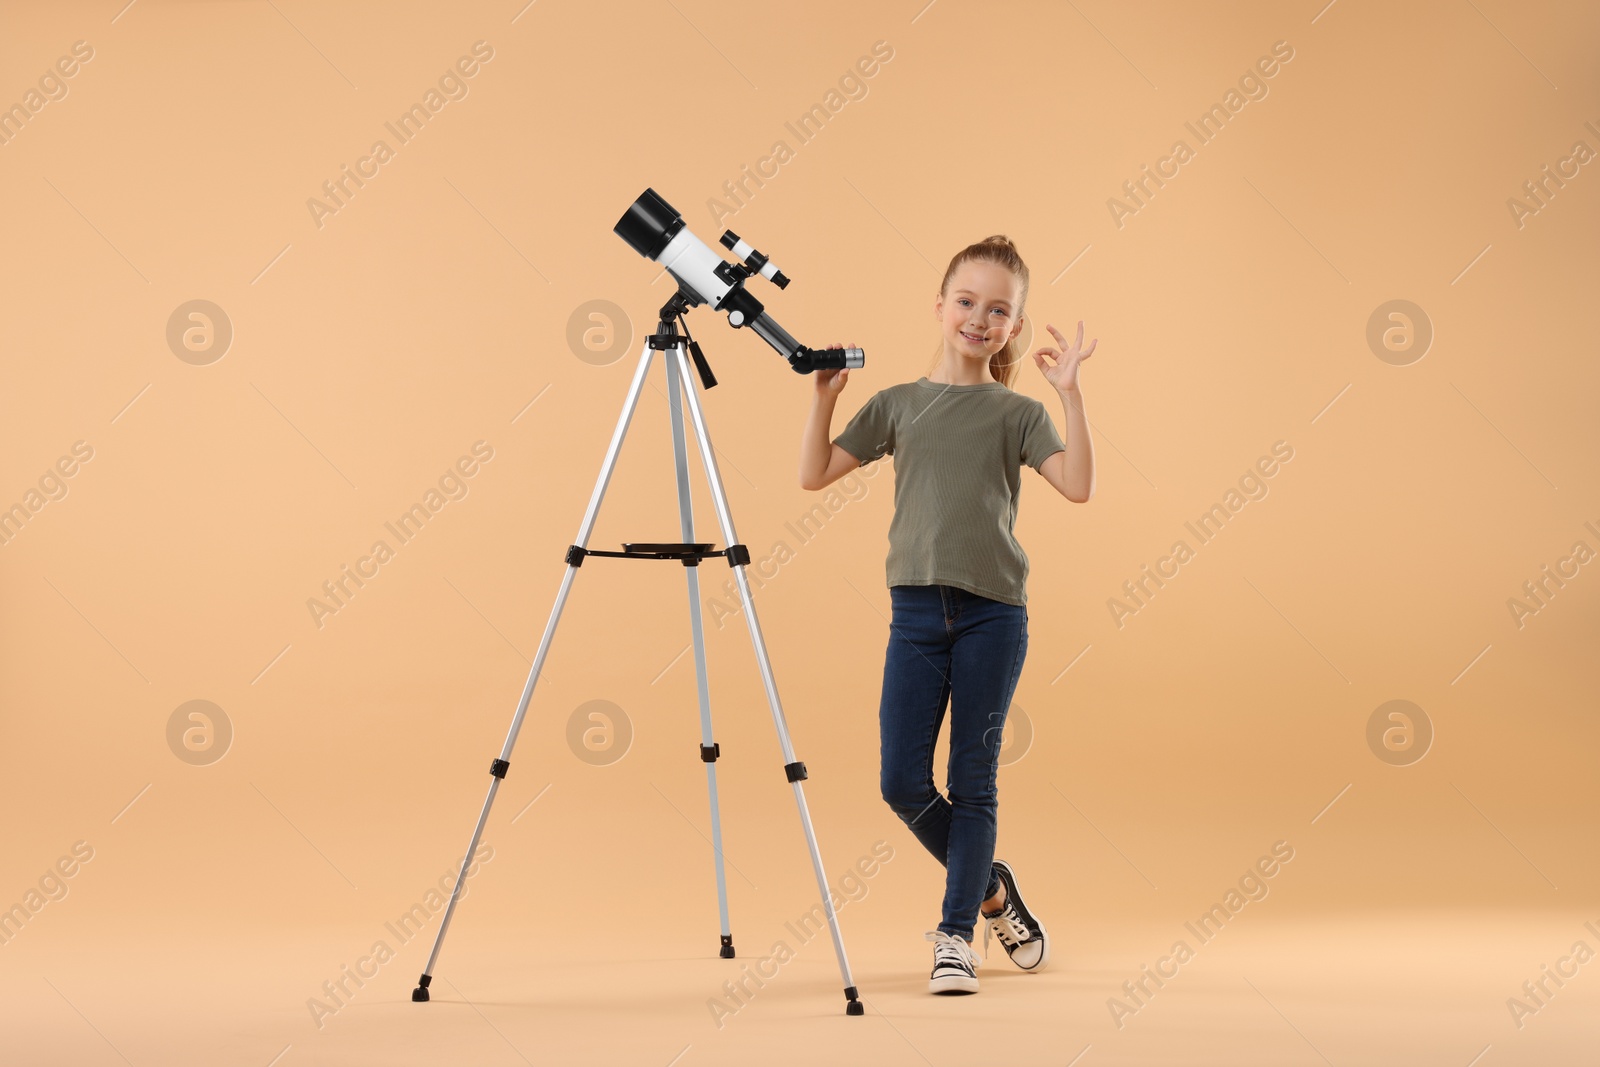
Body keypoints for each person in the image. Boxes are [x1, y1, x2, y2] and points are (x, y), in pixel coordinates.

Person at [798, 235, 1098, 994]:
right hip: (917, 616)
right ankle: (991, 888)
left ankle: (956, 935)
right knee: (901, 780)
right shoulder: (898, 404)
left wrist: (1071, 392)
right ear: (940, 308)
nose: (979, 318)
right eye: (967, 301)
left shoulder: (1017, 411)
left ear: (1014, 327)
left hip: (995, 615)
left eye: (999, 310)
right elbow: (815, 473)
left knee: (974, 780)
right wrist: (824, 398)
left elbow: (1078, 485)